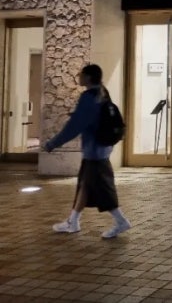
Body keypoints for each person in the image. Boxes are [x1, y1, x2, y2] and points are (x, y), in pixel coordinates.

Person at [44, 64, 132, 238]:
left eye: (81, 74)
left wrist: (52, 143)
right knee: (84, 186)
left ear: (88, 77)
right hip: (102, 149)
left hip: (94, 151)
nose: (79, 76)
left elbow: (74, 127)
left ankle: (121, 221)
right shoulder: (102, 93)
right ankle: (73, 221)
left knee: (104, 190)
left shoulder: (88, 97)